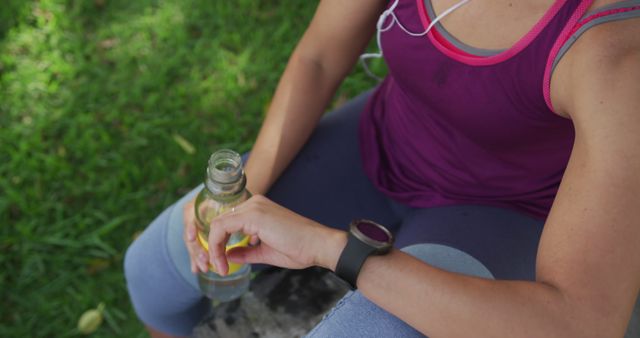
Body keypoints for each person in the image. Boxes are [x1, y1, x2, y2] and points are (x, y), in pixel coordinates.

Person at [124, 0, 640, 337]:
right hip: (377, 142)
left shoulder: (613, 54)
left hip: (502, 212)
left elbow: (581, 322)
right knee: (154, 271)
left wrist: (331, 249)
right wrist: (246, 192)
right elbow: (320, 56)